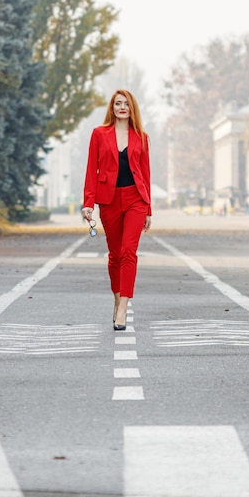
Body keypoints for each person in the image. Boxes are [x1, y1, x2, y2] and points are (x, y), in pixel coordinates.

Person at [82, 89, 151, 331]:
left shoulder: (141, 137)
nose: (122, 107)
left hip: (135, 199)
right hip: (109, 200)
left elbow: (145, 173)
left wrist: (148, 209)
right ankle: (117, 298)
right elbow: (92, 169)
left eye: (126, 104)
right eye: (118, 104)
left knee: (129, 252)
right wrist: (88, 203)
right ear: (112, 108)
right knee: (115, 255)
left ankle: (123, 308)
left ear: (132, 109)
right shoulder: (99, 134)